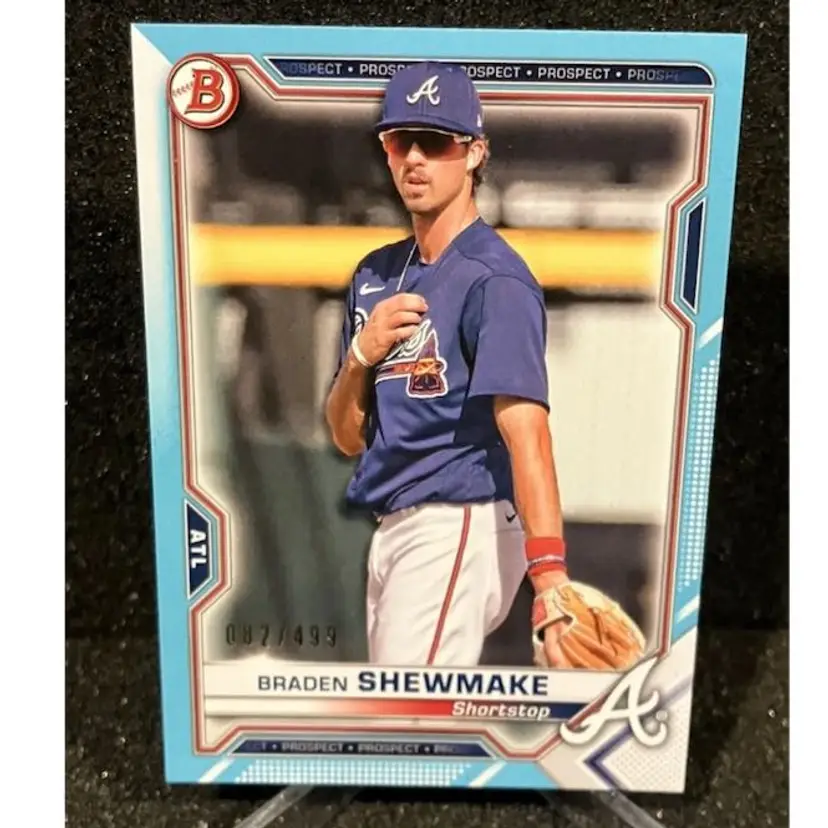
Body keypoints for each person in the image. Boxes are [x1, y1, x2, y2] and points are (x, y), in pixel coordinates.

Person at [325, 61, 575, 669]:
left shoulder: (495, 279)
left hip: (459, 522)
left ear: (473, 153)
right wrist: (360, 356)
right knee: (406, 708)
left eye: (435, 141)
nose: (414, 158)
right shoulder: (376, 274)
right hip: (395, 528)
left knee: (408, 709)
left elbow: (528, 434)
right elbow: (347, 436)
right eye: (399, 140)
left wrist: (550, 579)